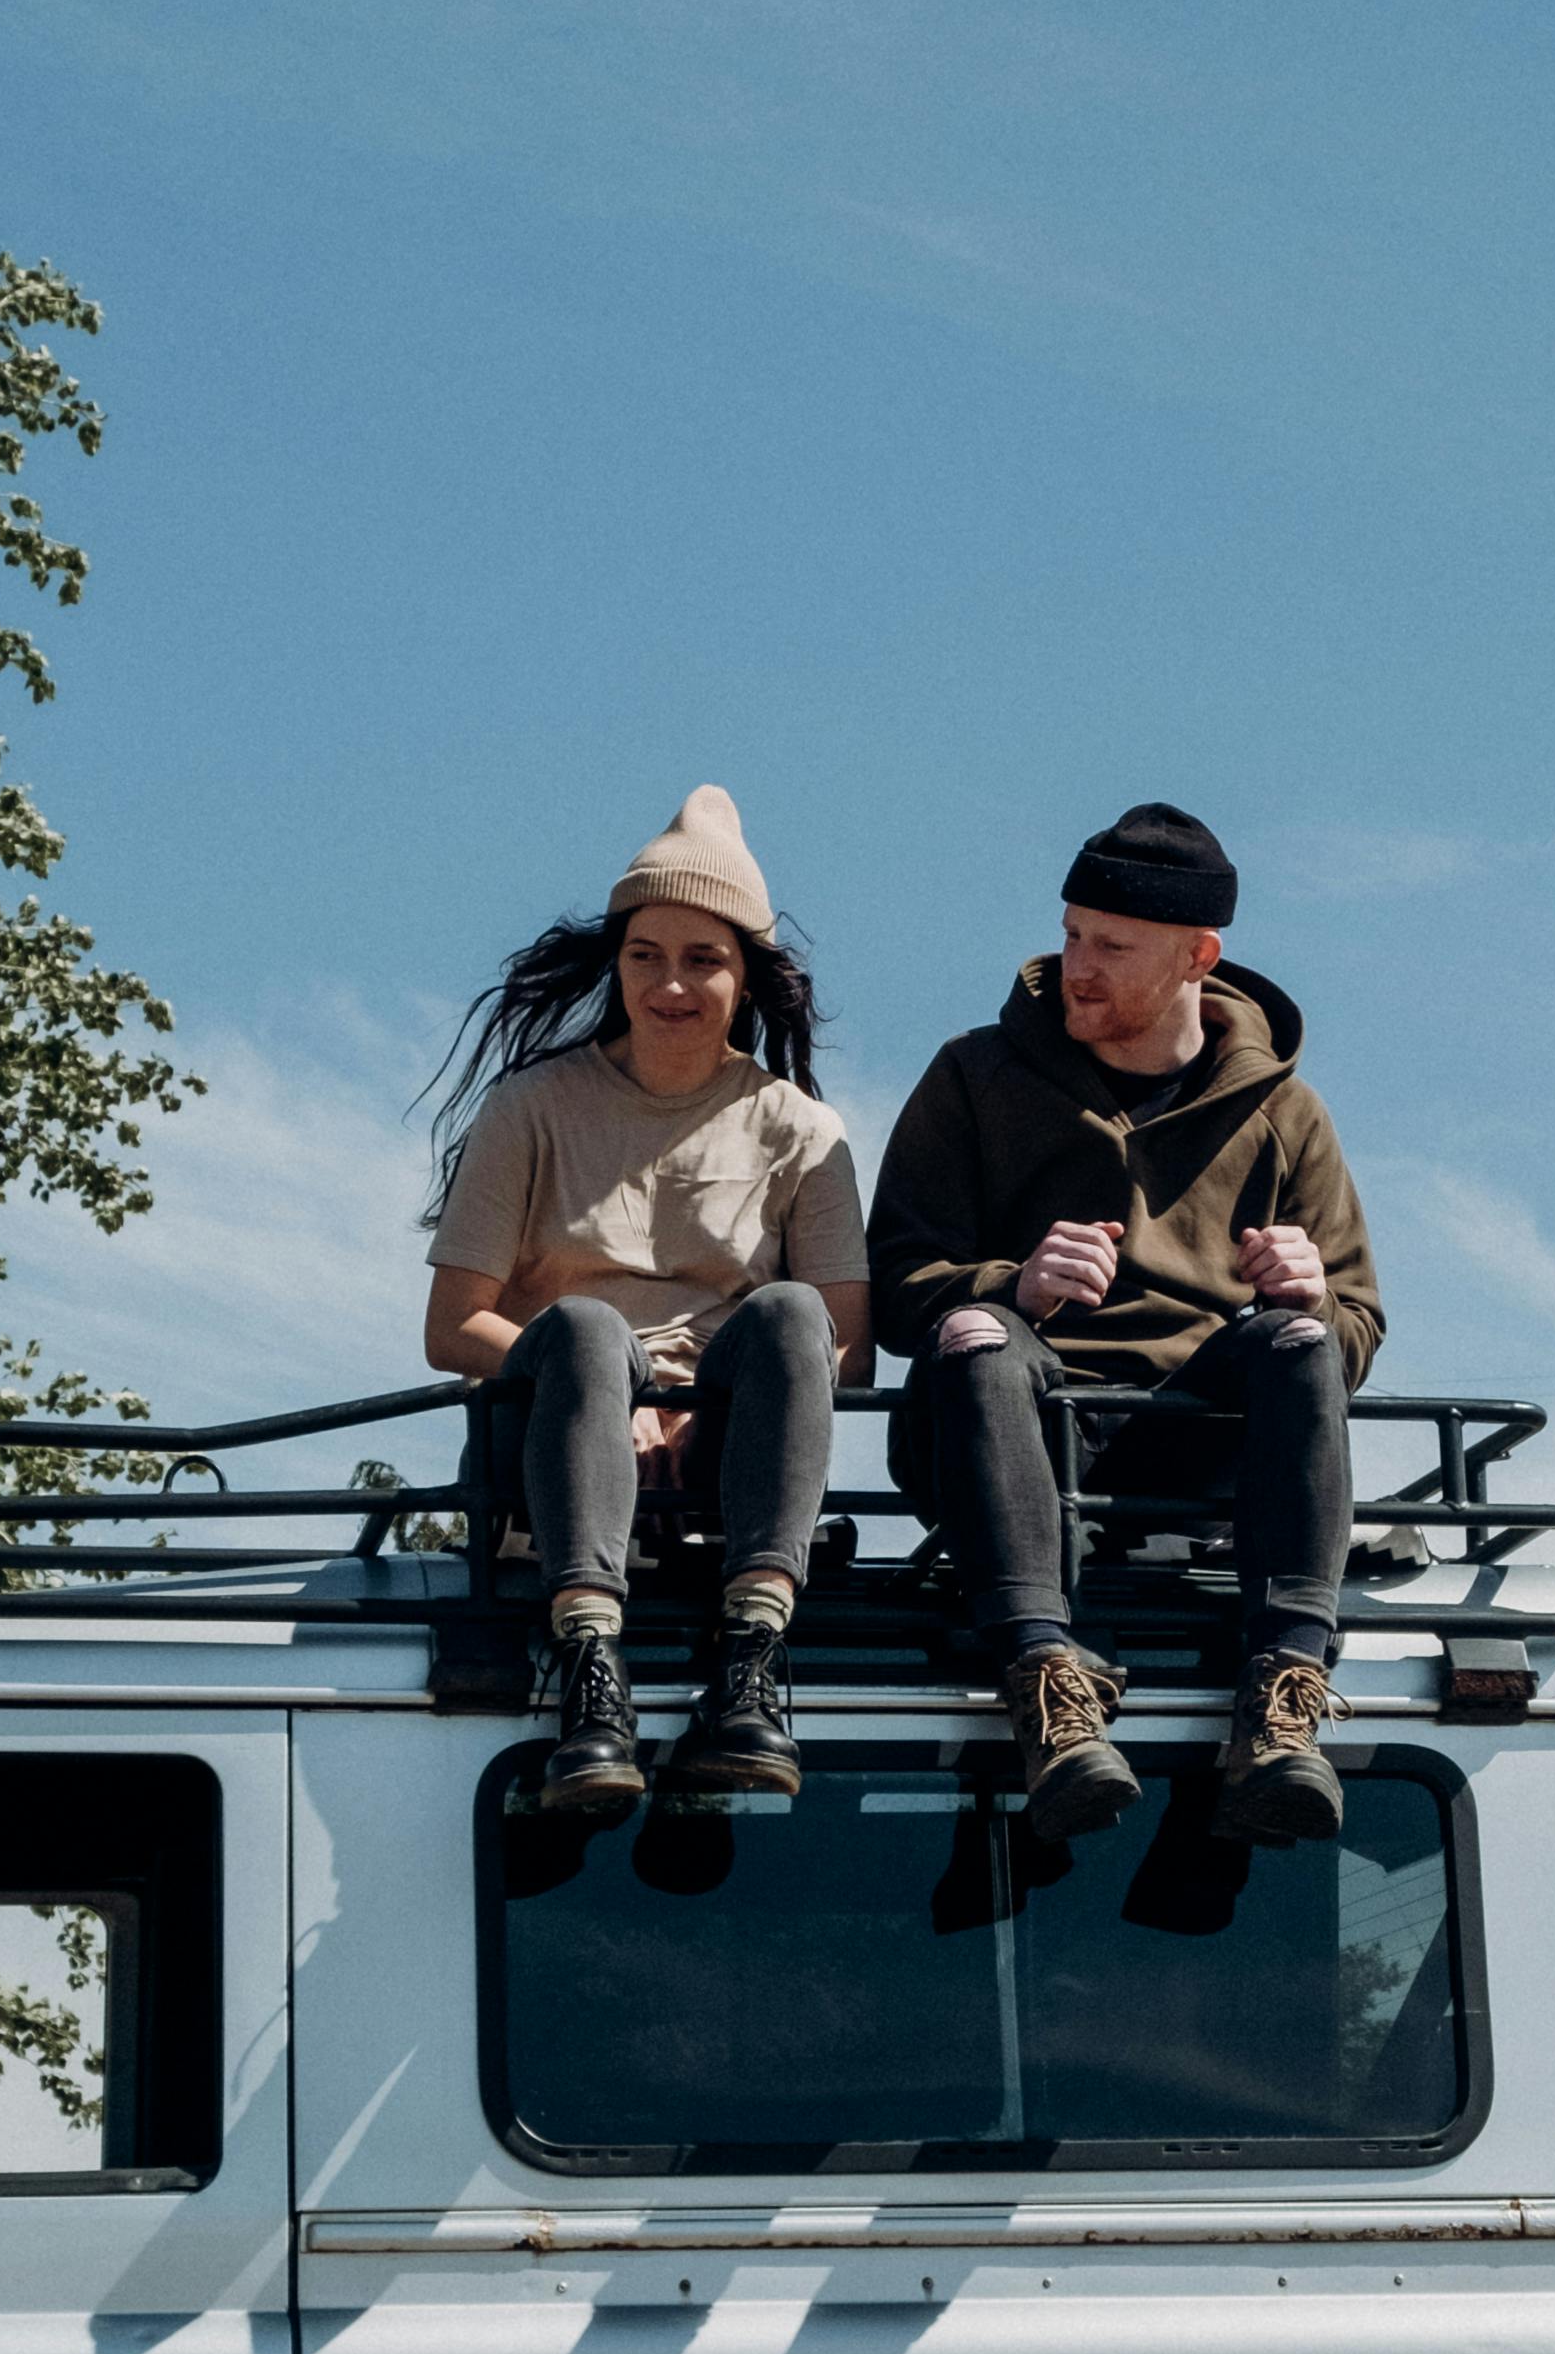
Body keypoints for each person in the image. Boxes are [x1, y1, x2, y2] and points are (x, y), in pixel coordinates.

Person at [872, 803, 1383, 1848]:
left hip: (1195, 1442)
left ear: (1199, 956)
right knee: (974, 1334)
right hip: (1008, 1430)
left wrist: (1313, 1300)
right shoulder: (972, 1075)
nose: (1077, 965)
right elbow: (890, 1290)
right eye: (1070, 934)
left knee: (1296, 1344)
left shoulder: (1287, 1115)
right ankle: (1047, 1685)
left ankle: (1284, 1698)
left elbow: (1358, 1329)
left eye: (1112, 945)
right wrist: (1012, 1285)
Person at [423, 786, 867, 1822]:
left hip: (721, 1459)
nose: (670, 983)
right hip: (549, 1445)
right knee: (581, 1328)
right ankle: (589, 1674)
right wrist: (604, 1386)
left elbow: (849, 1354)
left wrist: (689, 1406)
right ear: (614, 963)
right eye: (645, 955)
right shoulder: (530, 1107)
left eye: (703, 959)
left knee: (797, 1315)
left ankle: (751, 1662)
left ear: (746, 974)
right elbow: (453, 1326)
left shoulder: (801, 1130)